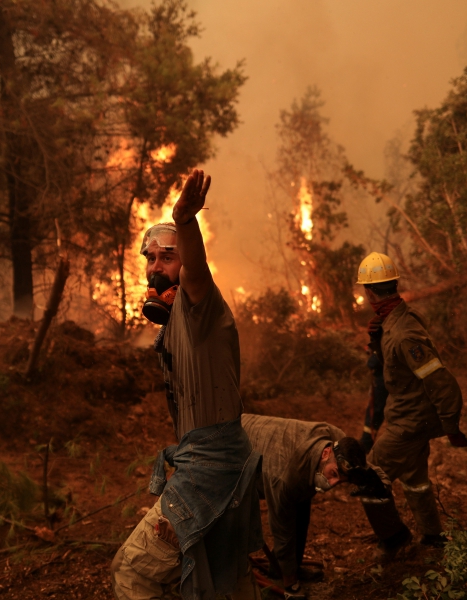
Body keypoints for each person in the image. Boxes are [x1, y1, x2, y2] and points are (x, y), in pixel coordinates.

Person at [110, 170, 263, 600]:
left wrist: (186, 221)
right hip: (222, 464)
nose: (155, 269)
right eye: (150, 259)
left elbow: (195, 272)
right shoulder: (175, 320)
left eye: (167, 258)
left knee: (131, 573)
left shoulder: (200, 305)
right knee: (224, 584)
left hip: (210, 472)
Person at [354, 252, 467, 561]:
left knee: (369, 479)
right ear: (394, 284)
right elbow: (397, 373)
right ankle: (433, 537)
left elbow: (439, 379)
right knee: (415, 478)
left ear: (369, 292)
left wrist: (451, 425)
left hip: (407, 423)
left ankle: (393, 540)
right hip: (408, 419)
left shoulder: (404, 333)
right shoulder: (399, 321)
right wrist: (379, 340)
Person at [240, 414, 390, 600]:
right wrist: (291, 586)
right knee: (285, 520)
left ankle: (285, 567)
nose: (333, 484)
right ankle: (285, 577)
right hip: (240, 447)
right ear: (326, 453)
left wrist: (381, 482)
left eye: (341, 480)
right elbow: (282, 530)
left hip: (285, 453)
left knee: (302, 507)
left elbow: (364, 466)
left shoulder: (336, 438)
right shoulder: (284, 475)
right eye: (334, 474)